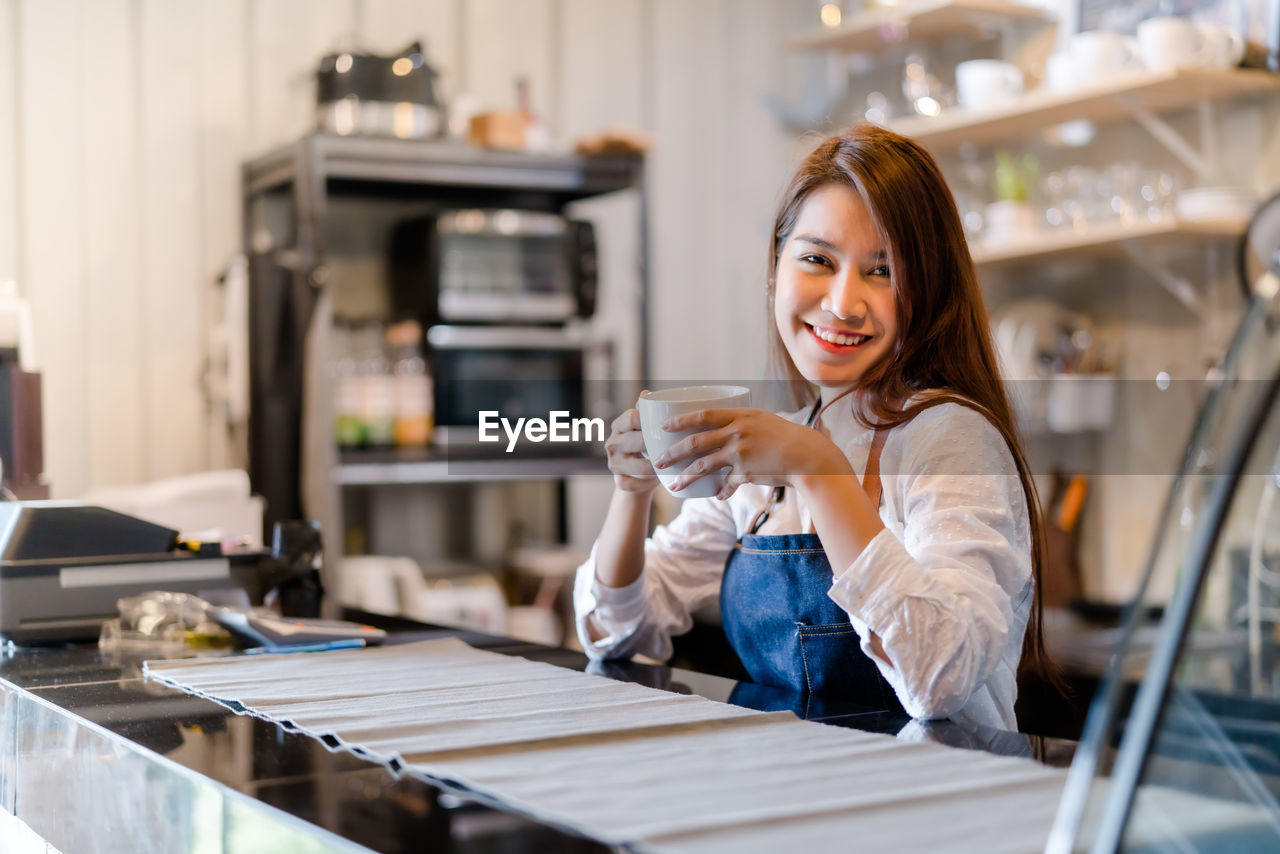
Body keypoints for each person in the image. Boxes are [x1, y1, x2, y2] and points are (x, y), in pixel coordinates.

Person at [573, 123, 1051, 732]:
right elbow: (614, 634)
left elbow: (941, 675)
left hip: (928, 810)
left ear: (927, 292)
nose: (844, 303)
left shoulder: (947, 437)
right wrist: (632, 491)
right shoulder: (772, 453)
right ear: (777, 269)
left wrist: (818, 470)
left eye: (882, 270)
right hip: (786, 803)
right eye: (818, 260)